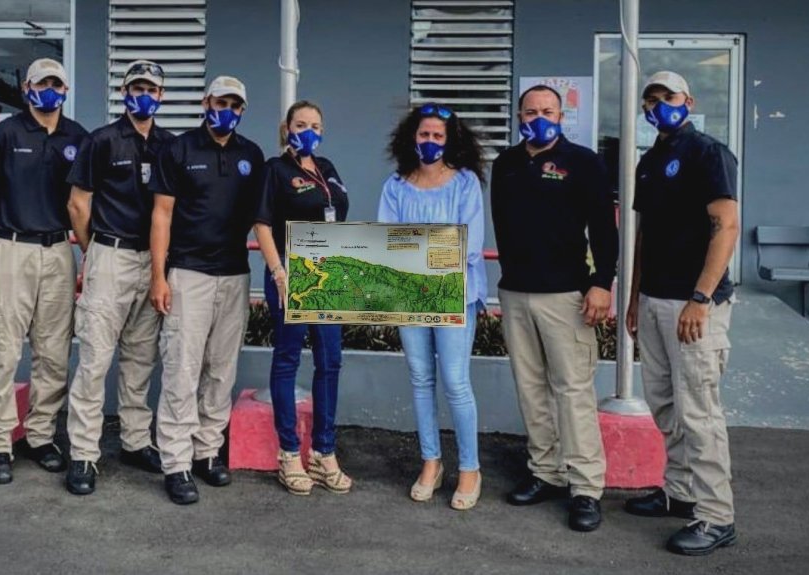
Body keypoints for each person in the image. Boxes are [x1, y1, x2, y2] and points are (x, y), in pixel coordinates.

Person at [491, 85, 617, 532]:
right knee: (531, 388)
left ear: (561, 115)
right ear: (518, 115)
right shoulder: (506, 164)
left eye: (547, 110)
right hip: (516, 291)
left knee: (572, 391)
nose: (539, 117)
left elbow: (604, 227)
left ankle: (585, 487)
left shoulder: (583, 161)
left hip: (566, 294)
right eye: (530, 111)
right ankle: (545, 471)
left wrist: (602, 283)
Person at [625, 71, 740, 556]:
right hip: (654, 299)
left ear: (687, 101)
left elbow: (727, 224)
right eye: (651, 100)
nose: (658, 106)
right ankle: (680, 491)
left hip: (693, 303)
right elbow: (646, 235)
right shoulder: (649, 162)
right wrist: (634, 298)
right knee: (664, 403)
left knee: (698, 411)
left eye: (667, 97)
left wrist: (701, 297)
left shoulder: (708, 152)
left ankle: (716, 515)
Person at [149, 76, 265, 505]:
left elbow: (263, 219)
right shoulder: (178, 150)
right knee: (181, 368)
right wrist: (158, 276)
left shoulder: (251, 155)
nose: (227, 109)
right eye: (221, 101)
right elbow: (161, 215)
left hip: (234, 274)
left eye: (236, 104)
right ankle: (176, 461)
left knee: (221, 370)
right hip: (188, 274)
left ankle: (207, 450)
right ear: (206, 101)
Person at [0, 58, 87, 485]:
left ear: (66, 88)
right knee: (3, 348)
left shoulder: (78, 137)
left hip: (58, 249)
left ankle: (40, 436)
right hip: (13, 248)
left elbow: (83, 201)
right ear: (26, 88)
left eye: (58, 83)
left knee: (54, 350)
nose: (51, 90)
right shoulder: (5, 134)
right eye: (43, 83)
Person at [63, 60, 175, 495]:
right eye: (136, 87)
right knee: (94, 360)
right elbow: (78, 204)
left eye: (150, 88)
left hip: (153, 261)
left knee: (140, 358)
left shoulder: (170, 145)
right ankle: (84, 455)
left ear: (161, 96)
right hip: (110, 255)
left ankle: (134, 440)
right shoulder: (102, 140)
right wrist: (95, 251)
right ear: (124, 92)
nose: (143, 95)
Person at [378, 103, 488, 510]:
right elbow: (388, 244)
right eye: (424, 135)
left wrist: (416, 252)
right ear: (413, 138)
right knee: (421, 379)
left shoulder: (465, 184)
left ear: (450, 140)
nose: (429, 142)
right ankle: (431, 462)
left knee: (456, 382)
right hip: (409, 295)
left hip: (455, 294)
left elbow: (470, 246)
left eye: (437, 136)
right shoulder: (396, 186)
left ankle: (470, 468)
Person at [254, 100, 352, 496]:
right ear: (286, 128)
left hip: (327, 274)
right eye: (301, 124)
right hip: (290, 274)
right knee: (289, 359)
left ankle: (323, 452)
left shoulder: (327, 168)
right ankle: (289, 452)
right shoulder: (274, 170)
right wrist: (278, 272)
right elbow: (261, 225)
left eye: (314, 124)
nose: (308, 130)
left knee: (331, 361)